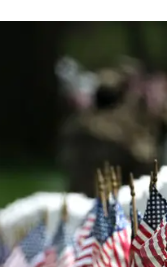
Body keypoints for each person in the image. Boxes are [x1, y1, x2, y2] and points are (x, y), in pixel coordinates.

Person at [57, 67, 158, 197]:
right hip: (113, 202)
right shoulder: (123, 129)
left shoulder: (75, 126)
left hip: (77, 199)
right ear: (123, 97)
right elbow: (148, 161)